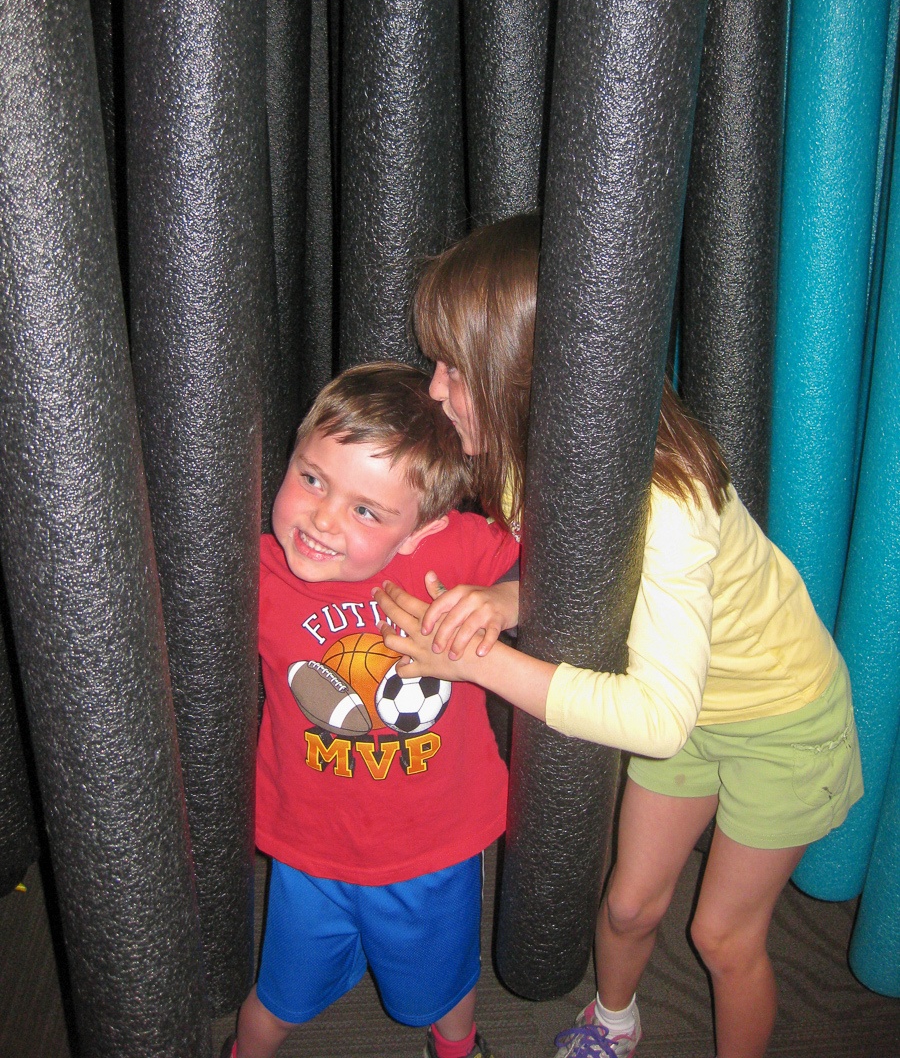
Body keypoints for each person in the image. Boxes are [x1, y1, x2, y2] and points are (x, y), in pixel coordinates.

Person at [372, 214, 864, 1058]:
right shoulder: (538, 457)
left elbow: (656, 719)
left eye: (456, 368)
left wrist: (480, 660)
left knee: (720, 936)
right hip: (684, 698)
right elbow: (596, 580)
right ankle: (614, 1020)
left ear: (521, 376)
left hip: (780, 720)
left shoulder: (665, 504)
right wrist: (501, 597)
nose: (435, 390)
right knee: (630, 905)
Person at [227, 361, 520, 1058]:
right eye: (311, 478)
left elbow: (574, 569)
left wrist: (507, 601)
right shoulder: (254, 569)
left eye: (366, 510)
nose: (323, 519)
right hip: (309, 851)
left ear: (419, 530)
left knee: (443, 991)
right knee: (277, 998)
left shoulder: (453, 551)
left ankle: (458, 1047)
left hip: (433, 848)